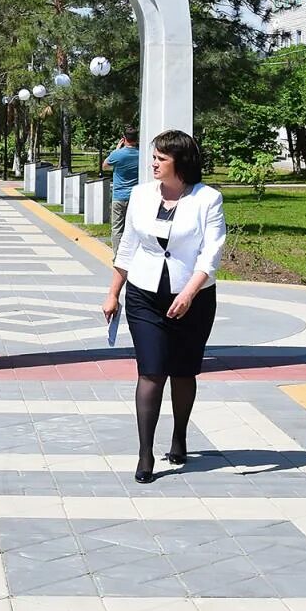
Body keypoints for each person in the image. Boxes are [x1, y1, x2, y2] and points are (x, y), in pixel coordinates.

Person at [101, 129, 226, 483]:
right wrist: (113, 292)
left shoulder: (207, 199)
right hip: (145, 293)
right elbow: (127, 246)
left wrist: (188, 293)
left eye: (161, 159)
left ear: (181, 162)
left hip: (194, 296)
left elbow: (211, 252)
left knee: (184, 371)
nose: (153, 164)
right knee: (151, 371)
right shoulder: (141, 195)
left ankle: (180, 435)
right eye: (153, 157)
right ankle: (144, 453)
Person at [104, 130, 141, 248]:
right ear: (137, 139)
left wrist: (116, 150)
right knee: (134, 228)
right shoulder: (141, 154)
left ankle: (117, 257)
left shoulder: (118, 154)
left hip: (119, 196)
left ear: (124, 139)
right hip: (135, 197)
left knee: (117, 229)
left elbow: (104, 166)